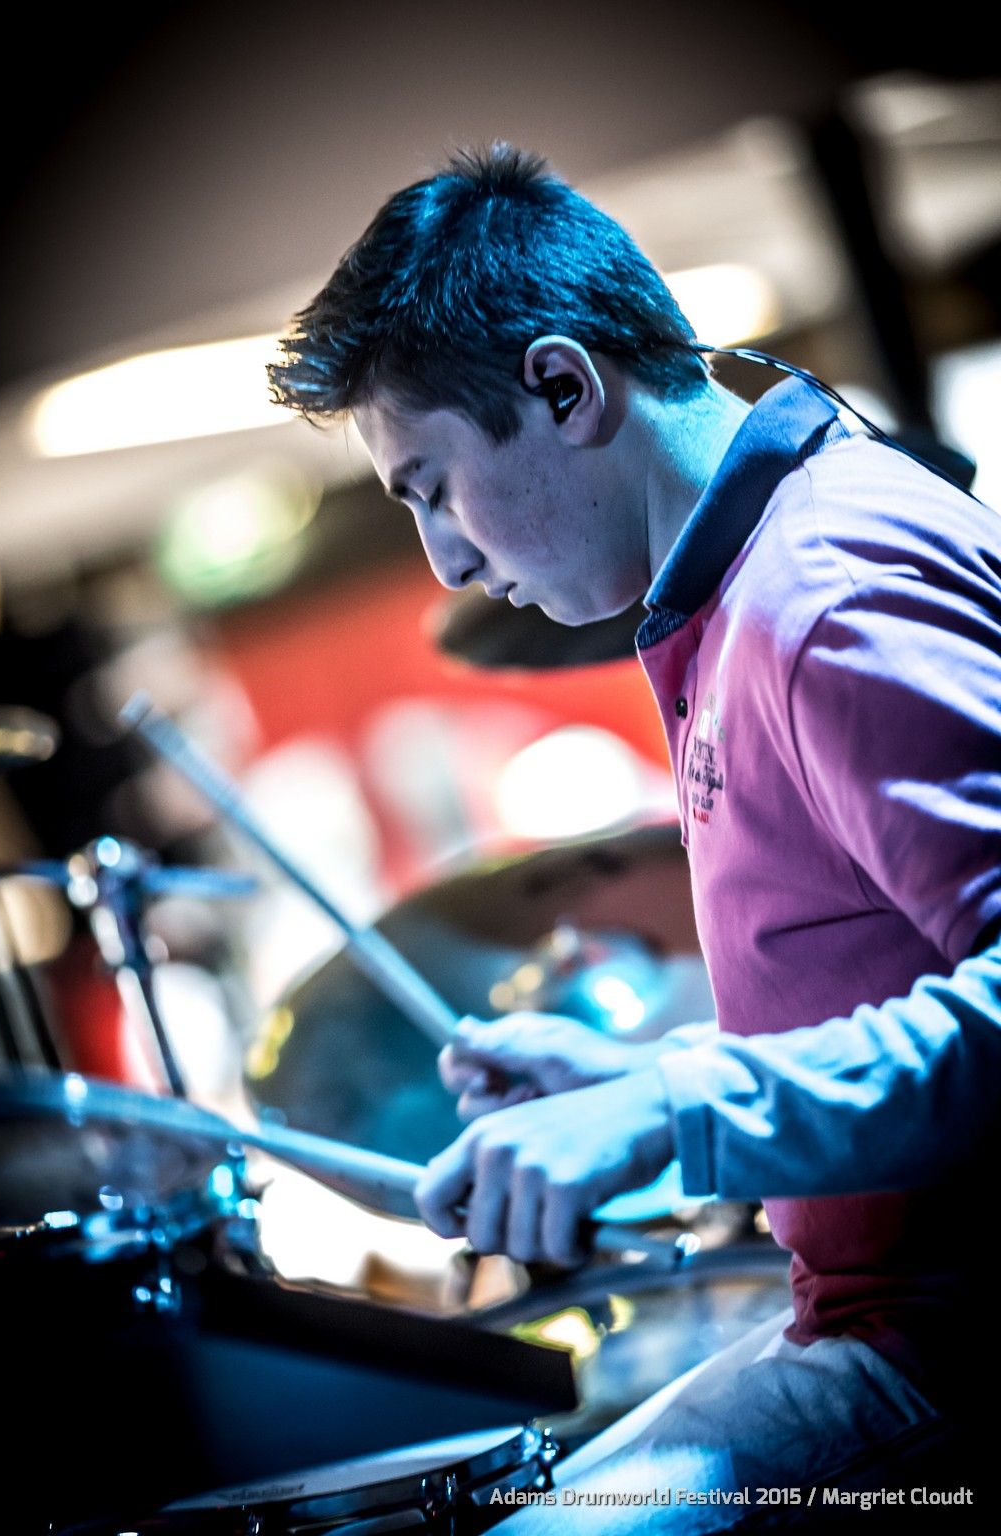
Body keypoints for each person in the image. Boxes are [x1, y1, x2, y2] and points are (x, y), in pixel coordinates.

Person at [268, 144, 1001, 1526]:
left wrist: (673, 1110)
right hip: (869, 1309)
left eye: (431, 487)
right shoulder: (742, 592)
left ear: (564, 387)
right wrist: (638, 1084)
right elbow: (905, 981)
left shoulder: (824, 595)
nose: (447, 561)